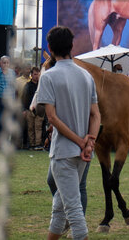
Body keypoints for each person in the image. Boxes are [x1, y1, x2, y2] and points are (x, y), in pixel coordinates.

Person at [35, 26, 99, 240]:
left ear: (50, 47)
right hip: (82, 153)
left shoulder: (49, 76)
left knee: (72, 210)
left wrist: (81, 142)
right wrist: (89, 141)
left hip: (64, 151)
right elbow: (96, 115)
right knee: (60, 208)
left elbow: (51, 117)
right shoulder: (86, 75)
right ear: (72, 46)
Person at [22, 66, 44, 150]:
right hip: (29, 109)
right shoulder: (27, 85)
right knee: (30, 127)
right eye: (35, 74)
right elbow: (24, 98)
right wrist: (24, 109)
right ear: (31, 75)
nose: (36, 76)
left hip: (39, 109)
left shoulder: (41, 85)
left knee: (38, 127)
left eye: (38, 74)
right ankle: (31, 144)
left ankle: (38, 143)